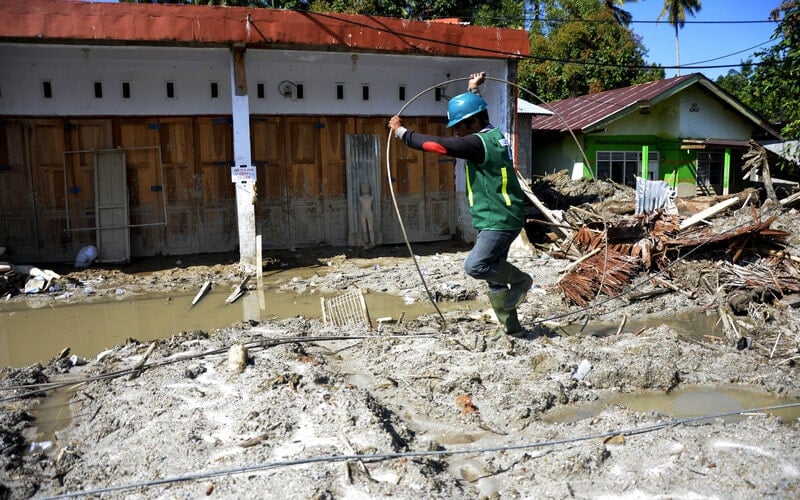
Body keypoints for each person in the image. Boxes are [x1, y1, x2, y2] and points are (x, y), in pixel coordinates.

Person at [388, 72, 533, 336]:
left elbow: (438, 146)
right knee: (493, 277)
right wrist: (473, 90)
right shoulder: (491, 135)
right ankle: (513, 329)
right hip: (500, 216)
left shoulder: (477, 144)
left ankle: (522, 280)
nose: (455, 132)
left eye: (459, 127)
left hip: (497, 220)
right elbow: (475, 116)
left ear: (474, 122)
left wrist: (402, 133)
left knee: (476, 266)